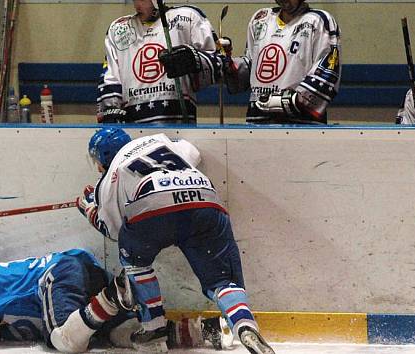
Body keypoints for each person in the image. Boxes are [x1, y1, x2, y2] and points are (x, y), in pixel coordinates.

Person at [78, 127, 275, 354]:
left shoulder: (111, 174)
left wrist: (90, 208)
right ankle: (244, 325)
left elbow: (113, 230)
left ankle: (153, 330)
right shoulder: (162, 142)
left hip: (152, 210)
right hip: (204, 202)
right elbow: (193, 152)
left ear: (102, 158)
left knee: (135, 259)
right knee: (222, 281)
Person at [0, 249, 229, 352]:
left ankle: (113, 295)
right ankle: (207, 331)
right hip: (81, 275)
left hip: (62, 275)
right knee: (125, 336)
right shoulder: (0, 305)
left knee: (63, 341)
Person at [96, 0, 223, 124]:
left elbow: (219, 63)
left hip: (179, 126)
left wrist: (193, 60)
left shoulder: (188, 17)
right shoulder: (118, 28)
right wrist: (111, 110)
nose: (136, 4)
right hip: (134, 128)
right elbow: (111, 76)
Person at [217, 0, 340, 124]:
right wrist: (228, 64)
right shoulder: (261, 19)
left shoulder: (319, 21)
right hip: (258, 119)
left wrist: (290, 101)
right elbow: (253, 67)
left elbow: (327, 70)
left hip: (300, 122)